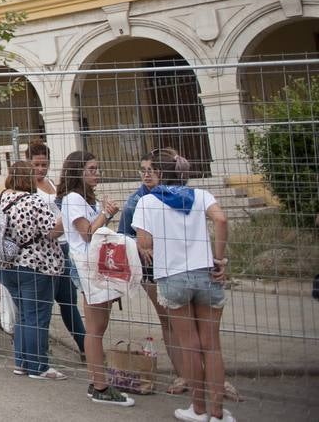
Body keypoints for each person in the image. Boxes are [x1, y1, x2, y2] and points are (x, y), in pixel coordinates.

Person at [132, 151, 232, 422]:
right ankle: (218, 411)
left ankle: (198, 408)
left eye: (151, 169)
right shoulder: (201, 196)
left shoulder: (147, 202)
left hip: (173, 276)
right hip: (205, 273)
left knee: (189, 344)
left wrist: (150, 247)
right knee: (212, 345)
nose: (148, 174)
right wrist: (219, 257)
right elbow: (221, 220)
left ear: (161, 174)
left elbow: (143, 242)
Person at [59, 149, 134, 407]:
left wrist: (103, 212)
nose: (97, 174)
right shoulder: (73, 199)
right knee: (95, 328)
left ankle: (97, 380)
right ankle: (100, 385)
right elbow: (88, 233)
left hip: (94, 266)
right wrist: (107, 213)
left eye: (98, 168)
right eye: (92, 169)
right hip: (86, 267)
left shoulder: (82, 199)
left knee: (98, 327)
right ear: (78, 171)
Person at [0, 159, 66, 379]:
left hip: (6, 264)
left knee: (24, 315)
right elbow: (51, 232)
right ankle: (39, 366)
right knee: (36, 316)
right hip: (34, 264)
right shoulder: (34, 201)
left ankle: (22, 362)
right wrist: (65, 218)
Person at [27, 139, 86, 358]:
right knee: (41, 305)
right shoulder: (27, 188)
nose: (41, 169)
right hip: (42, 250)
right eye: (36, 165)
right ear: (28, 163)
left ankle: (84, 346)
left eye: (44, 164)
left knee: (69, 301)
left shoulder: (51, 183)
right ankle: (39, 351)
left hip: (63, 247)